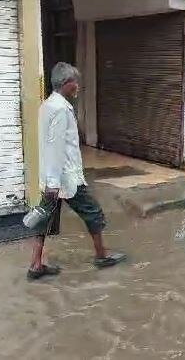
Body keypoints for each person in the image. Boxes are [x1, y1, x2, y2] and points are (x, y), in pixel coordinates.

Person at [27, 62, 126, 280]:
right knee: (94, 213)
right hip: (65, 179)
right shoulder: (61, 109)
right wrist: (54, 182)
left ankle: (35, 265)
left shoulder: (47, 106)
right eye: (75, 82)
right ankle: (101, 256)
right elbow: (55, 147)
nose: (78, 86)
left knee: (44, 219)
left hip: (52, 178)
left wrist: (49, 181)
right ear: (66, 83)